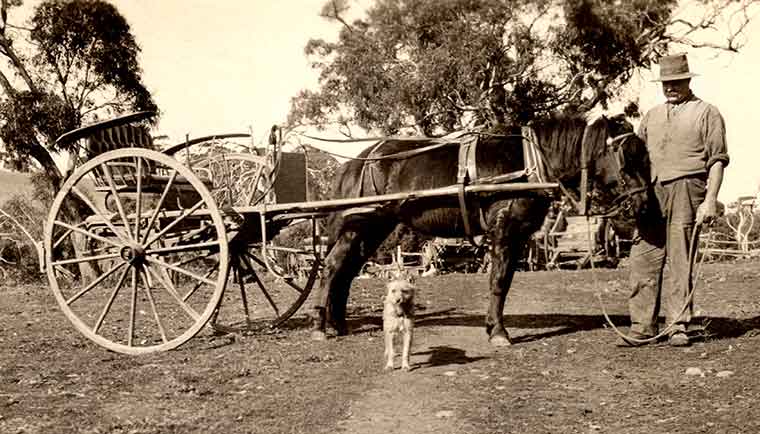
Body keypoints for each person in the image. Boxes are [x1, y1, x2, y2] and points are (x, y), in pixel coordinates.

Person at [622, 53, 728, 347]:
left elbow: (717, 160)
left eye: (677, 81)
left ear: (687, 80)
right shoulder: (651, 116)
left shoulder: (707, 112)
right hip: (652, 192)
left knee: (680, 258)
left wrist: (710, 200)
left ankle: (677, 325)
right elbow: (636, 159)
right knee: (644, 256)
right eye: (666, 82)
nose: (671, 87)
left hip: (688, 188)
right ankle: (642, 325)